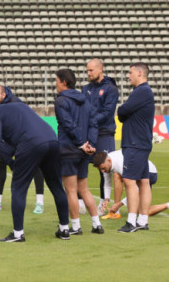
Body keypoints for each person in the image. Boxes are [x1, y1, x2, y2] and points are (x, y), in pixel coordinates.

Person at [0, 84, 71, 242]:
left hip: (31, 143)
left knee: (18, 188)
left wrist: (10, 162)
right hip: (52, 139)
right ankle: (65, 229)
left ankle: (18, 234)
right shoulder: (18, 105)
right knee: (56, 185)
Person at [0, 86, 45, 213]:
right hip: (9, 137)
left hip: (25, 136)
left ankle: (40, 203)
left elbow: (27, 119)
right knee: (0, 161)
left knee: (36, 165)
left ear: (3, 95)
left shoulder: (15, 102)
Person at [54, 68, 101, 234]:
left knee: (71, 191)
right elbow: (94, 123)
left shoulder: (61, 101)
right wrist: (91, 144)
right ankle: (96, 224)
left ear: (64, 82)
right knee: (84, 189)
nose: (55, 85)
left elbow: (67, 124)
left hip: (68, 149)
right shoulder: (86, 100)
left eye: (57, 81)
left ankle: (76, 226)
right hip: (84, 151)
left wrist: (82, 143)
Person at [116, 62, 154, 233]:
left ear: (140, 73)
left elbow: (123, 110)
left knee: (129, 181)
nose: (128, 76)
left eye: (130, 72)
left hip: (135, 143)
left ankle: (131, 222)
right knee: (143, 181)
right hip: (140, 142)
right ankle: (143, 220)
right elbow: (124, 114)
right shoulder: (143, 92)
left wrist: (123, 110)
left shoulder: (142, 91)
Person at [82, 58, 119, 212]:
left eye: (91, 70)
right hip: (88, 133)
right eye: (87, 70)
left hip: (104, 133)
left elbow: (107, 112)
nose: (88, 73)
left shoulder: (111, 89)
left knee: (104, 169)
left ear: (100, 69)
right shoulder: (85, 89)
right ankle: (80, 202)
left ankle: (103, 203)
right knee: (81, 166)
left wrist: (90, 121)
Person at [92, 150, 167, 218]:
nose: (102, 171)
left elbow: (135, 190)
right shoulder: (107, 161)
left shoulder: (121, 165)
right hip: (138, 172)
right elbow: (107, 183)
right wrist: (106, 199)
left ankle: (117, 208)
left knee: (143, 212)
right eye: (100, 169)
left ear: (109, 161)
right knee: (116, 175)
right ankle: (116, 212)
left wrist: (120, 204)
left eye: (104, 168)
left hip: (149, 174)